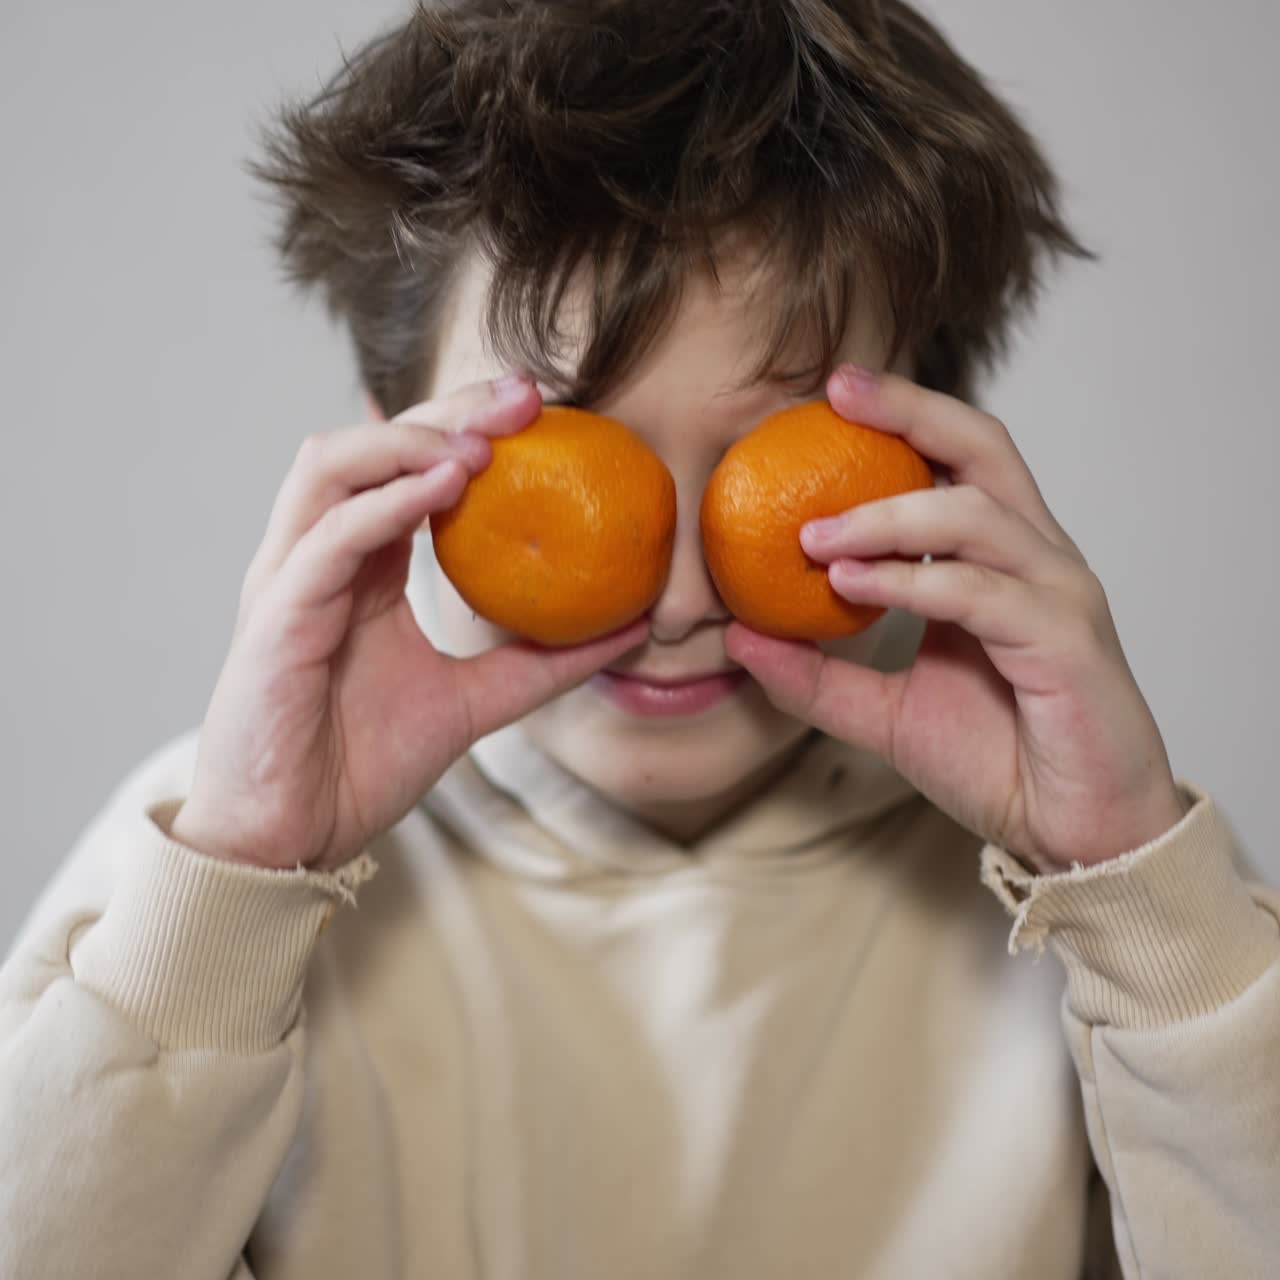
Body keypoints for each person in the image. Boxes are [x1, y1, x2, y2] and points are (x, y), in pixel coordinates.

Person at [2, 1, 1277, 1276]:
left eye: (769, 472)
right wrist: (236, 884)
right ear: (386, 433)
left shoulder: (1111, 902)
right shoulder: (194, 882)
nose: (671, 604)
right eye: (570, 459)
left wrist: (1133, 888)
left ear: (930, 454)